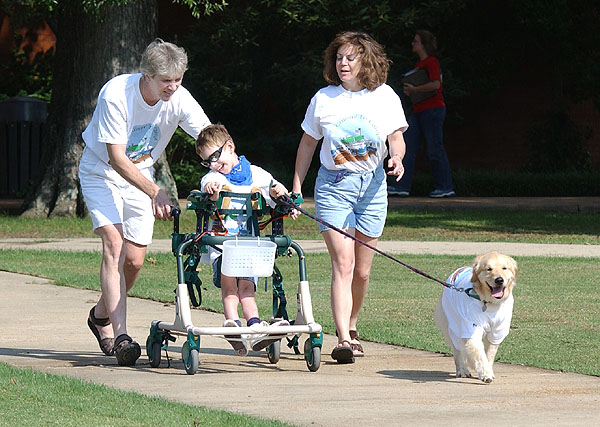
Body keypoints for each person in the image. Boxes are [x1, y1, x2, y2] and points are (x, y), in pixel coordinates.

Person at [78, 39, 211, 366]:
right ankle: (121, 336)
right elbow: (117, 158)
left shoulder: (178, 97)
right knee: (114, 243)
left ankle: (99, 315)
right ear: (147, 76)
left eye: (178, 79)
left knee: (134, 261)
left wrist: (233, 168)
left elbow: (208, 136)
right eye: (167, 81)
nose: (173, 87)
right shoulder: (116, 95)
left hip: (140, 173)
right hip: (102, 170)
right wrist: (155, 191)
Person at [292, 31, 408, 364]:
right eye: (339, 58)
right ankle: (342, 338)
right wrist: (297, 187)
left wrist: (397, 158)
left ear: (365, 61)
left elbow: (396, 138)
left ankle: (353, 325)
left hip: (372, 188)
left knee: (362, 271)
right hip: (334, 188)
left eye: (350, 58)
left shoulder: (384, 96)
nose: (343, 63)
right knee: (343, 264)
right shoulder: (324, 99)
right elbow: (307, 145)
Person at [195, 124, 292, 356]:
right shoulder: (213, 177)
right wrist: (211, 189)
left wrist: (280, 193)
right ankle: (232, 324)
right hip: (223, 243)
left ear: (230, 147)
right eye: (207, 161)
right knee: (230, 288)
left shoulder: (257, 174)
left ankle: (255, 326)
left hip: (249, 245)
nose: (213, 164)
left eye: (215, 158)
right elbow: (206, 189)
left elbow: (276, 190)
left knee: (247, 288)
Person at [388, 30, 455, 198]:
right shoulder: (420, 64)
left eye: (415, 41)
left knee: (435, 149)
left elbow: (435, 85)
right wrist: (412, 92)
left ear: (423, 44)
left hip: (432, 110)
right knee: (407, 146)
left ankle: (445, 187)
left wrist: (415, 89)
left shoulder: (432, 62)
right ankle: (400, 186)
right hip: (420, 110)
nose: (413, 43)